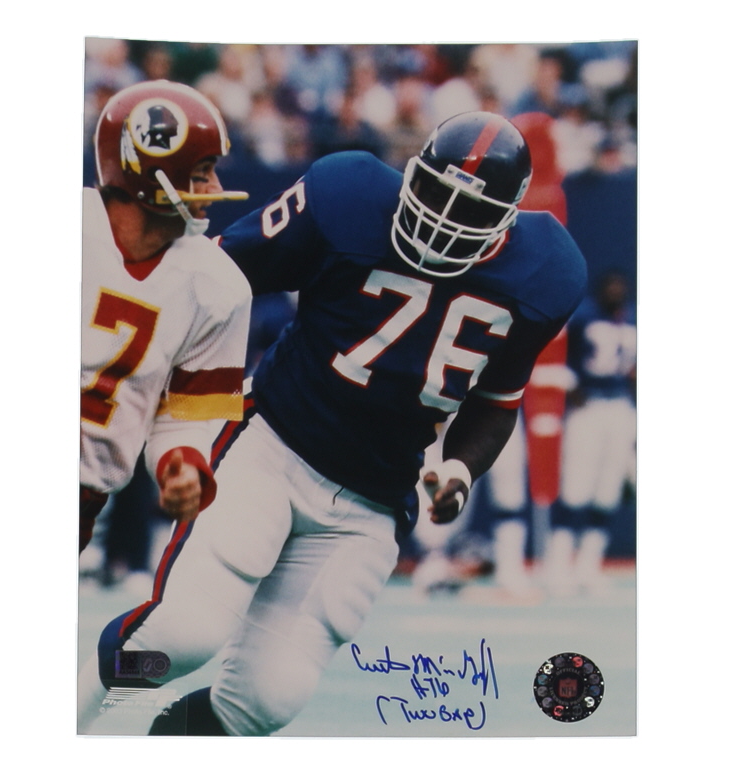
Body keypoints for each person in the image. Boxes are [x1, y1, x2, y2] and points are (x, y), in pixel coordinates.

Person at [77, 111, 587, 735]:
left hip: (373, 502)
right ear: (412, 174)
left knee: (266, 700)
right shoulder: (349, 197)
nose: (444, 218)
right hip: (274, 444)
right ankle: (65, 719)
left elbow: (497, 398)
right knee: (178, 638)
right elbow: (218, 275)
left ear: (507, 219)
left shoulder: (545, 272)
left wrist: (459, 467)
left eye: (470, 210)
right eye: (434, 193)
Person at [79, 80, 252, 553]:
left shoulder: (219, 286)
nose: (215, 189)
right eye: (203, 172)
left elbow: (187, 413)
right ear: (154, 173)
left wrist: (182, 463)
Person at [543, 271, 636, 594]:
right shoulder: (582, 318)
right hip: (588, 408)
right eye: (610, 286)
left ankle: (588, 566)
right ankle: (558, 566)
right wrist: (571, 386)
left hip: (621, 408)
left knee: (608, 488)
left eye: (620, 287)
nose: (616, 291)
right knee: (576, 486)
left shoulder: (632, 319)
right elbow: (556, 355)